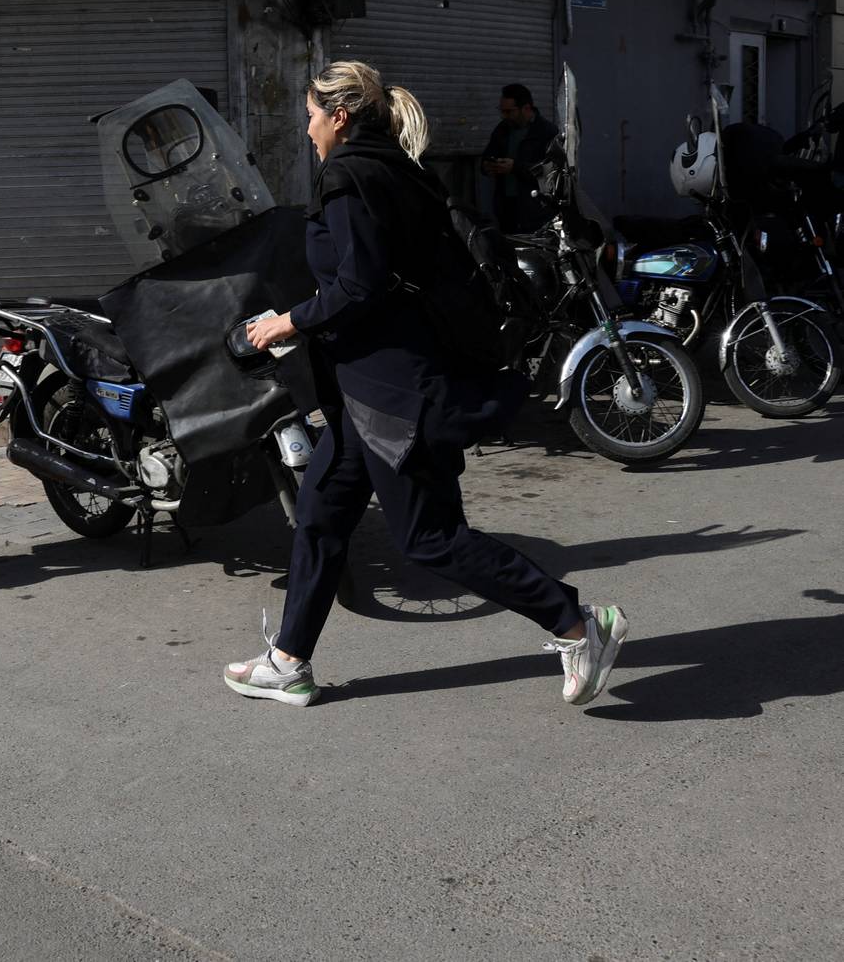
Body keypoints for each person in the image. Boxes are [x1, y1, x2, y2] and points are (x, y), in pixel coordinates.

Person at [223, 61, 627, 708]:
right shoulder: (398, 168)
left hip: (392, 396)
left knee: (430, 537)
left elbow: (359, 284)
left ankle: (579, 625)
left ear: (340, 117)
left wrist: (286, 322)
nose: (307, 129)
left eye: (311, 116)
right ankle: (288, 662)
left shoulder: (348, 175)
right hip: (366, 392)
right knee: (321, 517)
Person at [481, 83, 558, 233]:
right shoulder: (502, 129)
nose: (504, 116)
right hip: (507, 208)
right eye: (502, 111)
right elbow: (488, 154)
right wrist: (487, 165)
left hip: (534, 210)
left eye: (509, 111)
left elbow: (551, 172)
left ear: (526, 108)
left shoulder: (547, 132)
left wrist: (515, 167)